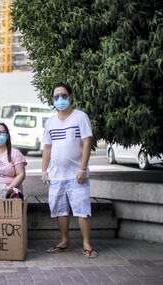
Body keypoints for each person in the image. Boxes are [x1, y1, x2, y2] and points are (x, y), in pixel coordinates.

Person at [42, 82, 98, 258]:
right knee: (60, 210)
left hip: (77, 175)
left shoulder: (80, 117)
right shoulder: (50, 122)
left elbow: (87, 142)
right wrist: (44, 170)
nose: (60, 99)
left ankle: (86, 244)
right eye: (56, 96)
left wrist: (82, 169)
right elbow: (47, 148)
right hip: (56, 175)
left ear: (71, 97)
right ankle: (64, 241)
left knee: (82, 209)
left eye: (64, 95)